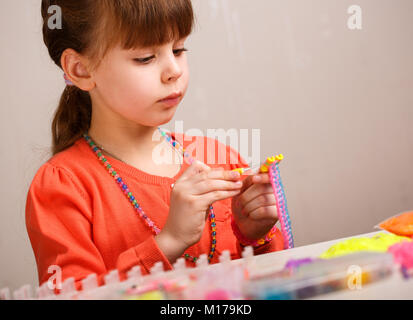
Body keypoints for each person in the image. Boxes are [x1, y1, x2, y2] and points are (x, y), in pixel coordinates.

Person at [26, 0, 284, 292]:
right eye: (146, 58)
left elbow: (277, 287)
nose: (173, 70)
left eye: (178, 49)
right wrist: (169, 241)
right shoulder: (64, 186)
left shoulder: (220, 159)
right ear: (81, 69)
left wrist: (256, 237)